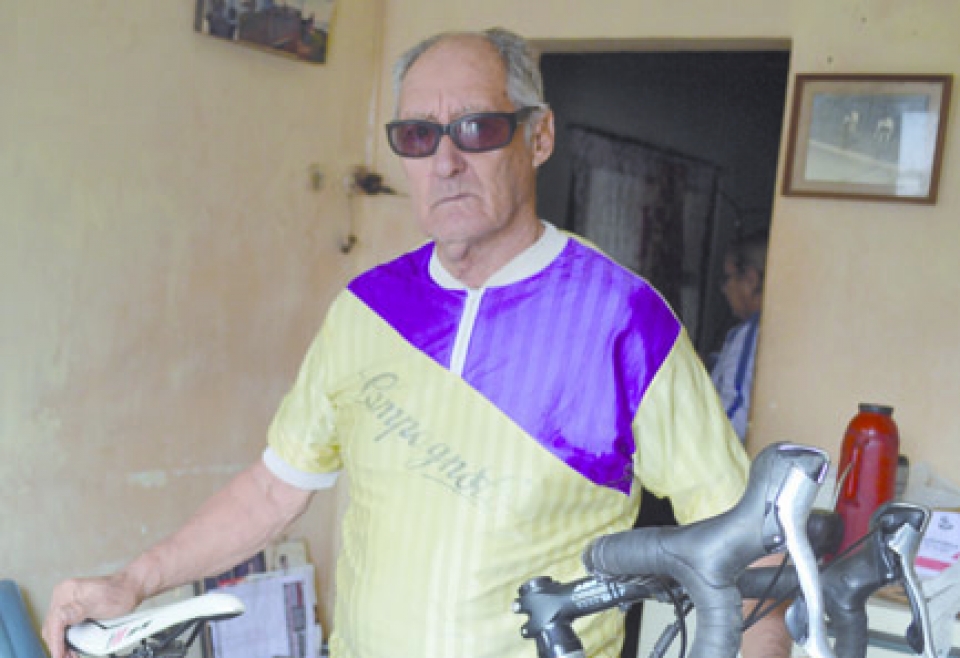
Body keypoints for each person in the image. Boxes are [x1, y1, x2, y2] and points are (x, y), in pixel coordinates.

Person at [43, 28, 789, 658]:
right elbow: (274, 490)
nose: (445, 161)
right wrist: (134, 581)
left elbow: (753, 555)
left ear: (539, 136)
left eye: (478, 128)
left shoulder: (624, 320)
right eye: (418, 136)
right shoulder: (366, 311)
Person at [711, 231, 768, 442]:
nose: (724, 289)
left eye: (727, 278)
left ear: (751, 279)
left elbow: (735, 413)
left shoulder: (751, 335)